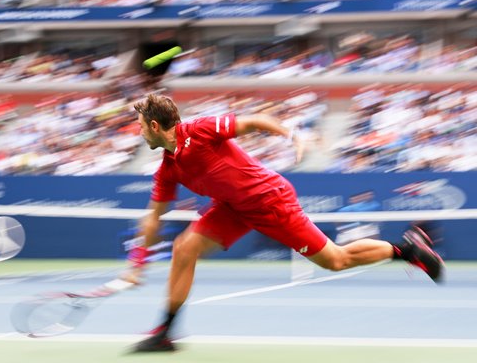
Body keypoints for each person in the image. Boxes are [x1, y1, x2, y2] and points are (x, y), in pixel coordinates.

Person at [126, 93, 444, 352]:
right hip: (232, 208)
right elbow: (153, 217)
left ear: (155, 126)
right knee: (185, 248)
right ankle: (165, 333)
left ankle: (406, 250)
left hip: (269, 201)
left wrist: (293, 135)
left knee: (335, 260)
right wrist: (138, 261)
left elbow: (253, 122)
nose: (139, 133)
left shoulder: (199, 130)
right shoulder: (168, 169)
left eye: (141, 127)